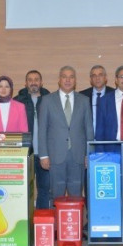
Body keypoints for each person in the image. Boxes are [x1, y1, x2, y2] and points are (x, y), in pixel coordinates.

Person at [38, 66, 93, 200]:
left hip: (78, 155)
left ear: (75, 80)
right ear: (59, 79)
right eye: (64, 76)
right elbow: (42, 129)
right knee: (56, 194)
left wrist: (89, 154)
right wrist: (43, 155)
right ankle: (58, 221)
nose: (68, 80)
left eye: (71, 77)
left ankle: (76, 221)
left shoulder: (84, 100)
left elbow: (89, 129)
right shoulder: (47, 100)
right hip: (55, 155)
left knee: (77, 194)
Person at [14, 70, 52, 209]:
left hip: (45, 154)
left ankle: (41, 221)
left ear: (41, 82)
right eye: (30, 79)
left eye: (36, 79)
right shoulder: (17, 101)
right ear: (25, 83)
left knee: (44, 190)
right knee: (23, 190)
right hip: (25, 154)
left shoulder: (50, 99)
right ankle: (25, 221)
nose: (33, 82)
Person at [80, 65, 114, 132]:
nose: (97, 78)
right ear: (91, 79)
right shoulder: (82, 96)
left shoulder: (114, 94)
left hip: (109, 138)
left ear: (105, 78)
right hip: (88, 138)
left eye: (100, 75)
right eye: (94, 76)